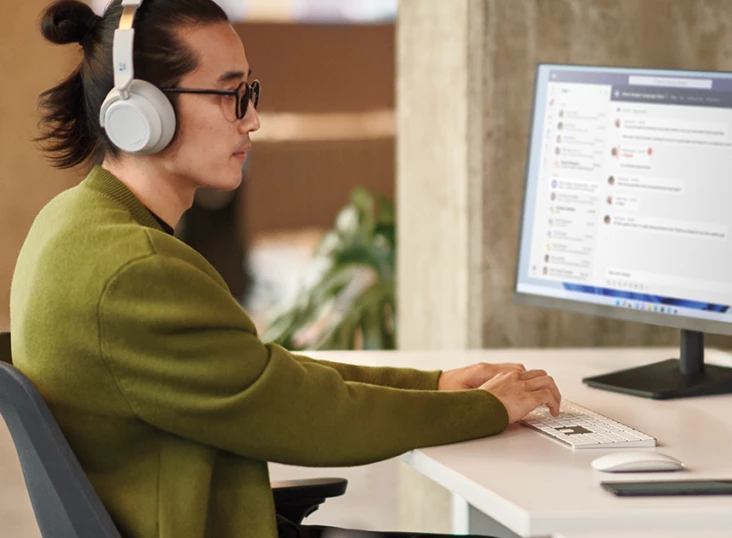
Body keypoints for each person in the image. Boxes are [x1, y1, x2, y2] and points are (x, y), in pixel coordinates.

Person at [11, 2, 562, 538]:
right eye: (230, 95)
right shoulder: (134, 269)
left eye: (248, 92)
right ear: (141, 115)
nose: (253, 119)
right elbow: (311, 417)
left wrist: (438, 386)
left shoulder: (72, 221)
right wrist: (482, 410)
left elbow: (262, 377)